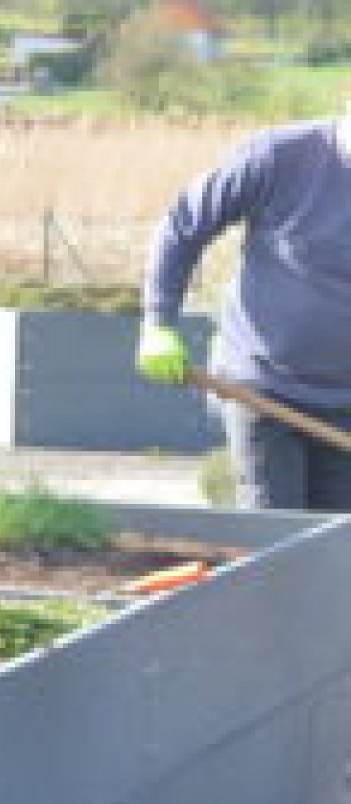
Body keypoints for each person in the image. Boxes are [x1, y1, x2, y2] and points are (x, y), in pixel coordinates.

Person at [135, 112, 351, 510]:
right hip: (264, 391)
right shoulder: (279, 157)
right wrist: (158, 322)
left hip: (345, 406)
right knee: (278, 538)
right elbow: (183, 226)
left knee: (333, 550)